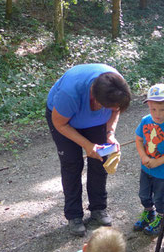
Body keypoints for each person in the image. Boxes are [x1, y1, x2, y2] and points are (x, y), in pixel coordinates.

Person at [46, 64, 131, 236]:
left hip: (95, 123)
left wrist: (110, 134)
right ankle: (74, 215)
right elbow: (60, 123)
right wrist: (86, 145)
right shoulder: (70, 93)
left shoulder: (117, 87)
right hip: (65, 122)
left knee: (100, 159)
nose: (111, 110)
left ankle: (98, 208)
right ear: (94, 97)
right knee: (72, 164)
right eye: (106, 106)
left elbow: (116, 110)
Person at [133, 83, 164, 235]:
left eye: (162, 109)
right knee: (144, 194)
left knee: (160, 197)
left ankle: (162, 218)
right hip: (146, 167)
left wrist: (157, 162)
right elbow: (139, 139)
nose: (158, 114)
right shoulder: (146, 120)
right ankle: (149, 212)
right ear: (148, 105)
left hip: (163, 171)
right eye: (153, 109)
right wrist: (143, 156)